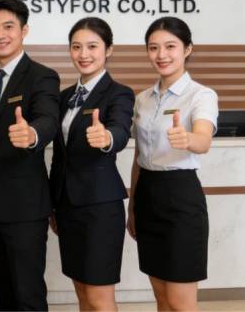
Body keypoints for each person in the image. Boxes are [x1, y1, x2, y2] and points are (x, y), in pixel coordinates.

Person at [0, 0, 60, 311]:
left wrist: (32, 134)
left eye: (8, 27)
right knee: (2, 295)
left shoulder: (42, 76)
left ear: (24, 30)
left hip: (25, 207)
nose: (0, 35)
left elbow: (48, 119)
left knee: (28, 295)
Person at [127, 16, 218, 311]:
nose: (161, 55)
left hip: (181, 198)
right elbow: (139, 156)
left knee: (181, 301)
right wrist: (132, 206)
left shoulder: (201, 95)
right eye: (154, 47)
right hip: (147, 196)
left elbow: (203, 140)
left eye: (170, 46)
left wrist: (188, 138)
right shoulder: (142, 99)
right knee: (162, 297)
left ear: (187, 49)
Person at [49, 17, 135, 311]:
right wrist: (53, 202)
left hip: (100, 207)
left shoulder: (119, 93)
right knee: (83, 293)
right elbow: (59, 155)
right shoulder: (64, 97)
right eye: (76, 47)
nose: (83, 54)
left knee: (99, 297)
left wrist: (107, 137)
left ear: (108, 50)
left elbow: (120, 130)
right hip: (67, 206)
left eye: (92, 46)